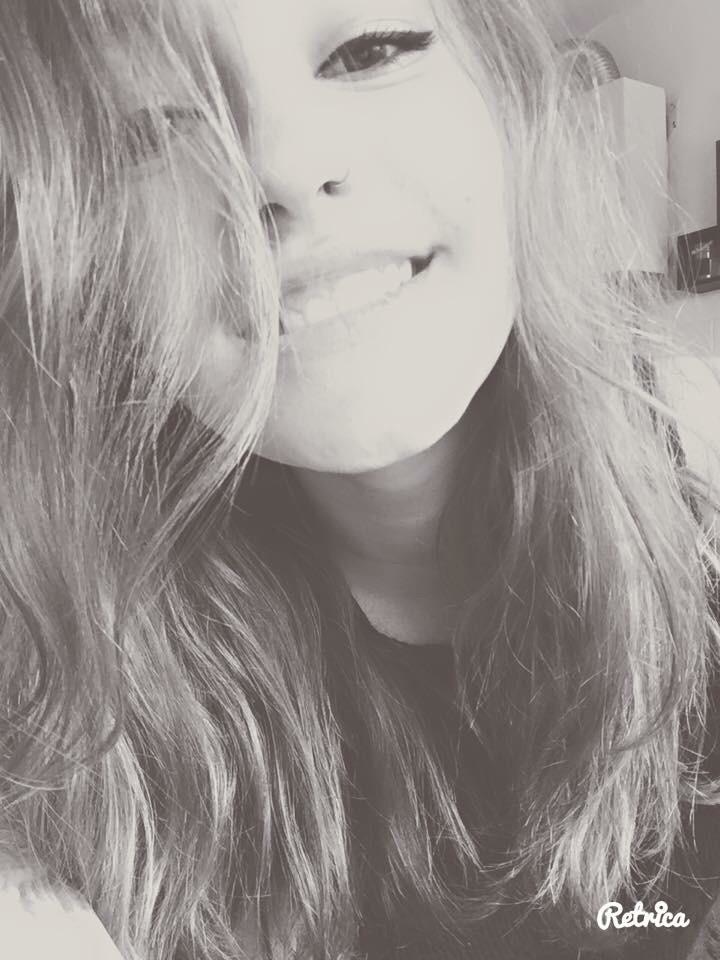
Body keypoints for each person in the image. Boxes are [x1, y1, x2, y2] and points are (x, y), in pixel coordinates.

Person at [0, 0, 719, 958]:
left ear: (510, 99)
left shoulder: (697, 469)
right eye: (153, 128)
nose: (281, 167)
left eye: (369, 51)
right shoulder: (62, 724)